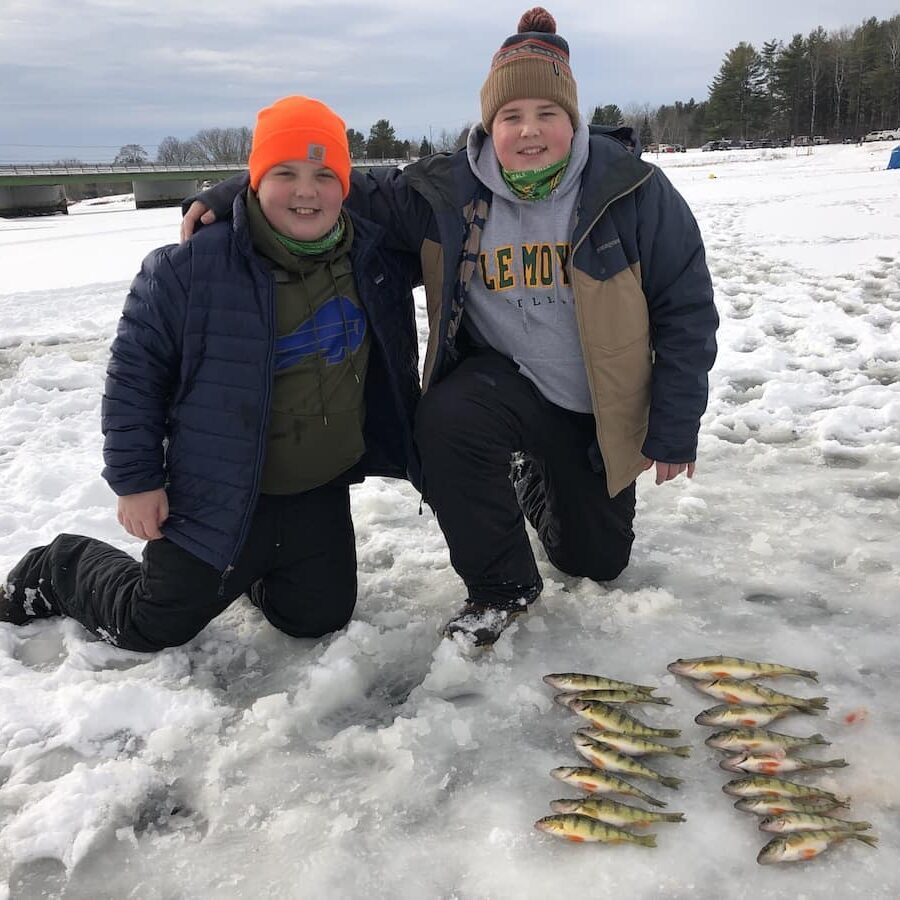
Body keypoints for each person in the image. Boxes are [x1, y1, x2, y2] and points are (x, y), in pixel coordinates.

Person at [180, 8, 718, 648]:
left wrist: (675, 424)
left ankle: (532, 482)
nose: (529, 131)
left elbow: (686, 309)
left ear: (573, 120)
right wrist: (235, 191)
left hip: (595, 407)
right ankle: (501, 587)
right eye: (510, 116)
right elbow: (343, 188)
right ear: (490, 124)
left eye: (547, 113)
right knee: (444, 419)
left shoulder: (632, 190)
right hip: (502, 387)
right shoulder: (448, 189)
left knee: (595, 563)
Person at [0, 96, 420, 651]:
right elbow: (133, 381)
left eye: (325, 176)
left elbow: (419, 188)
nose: (306, 191)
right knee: (148, 625)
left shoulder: (373, 257)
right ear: (254, 179)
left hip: (317, 490)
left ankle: (254, 574)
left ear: (345, 185)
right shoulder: (189, 268)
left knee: (317, 619)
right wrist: (136, 481)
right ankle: (57, 567)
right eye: (284, 173)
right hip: (217, 493)